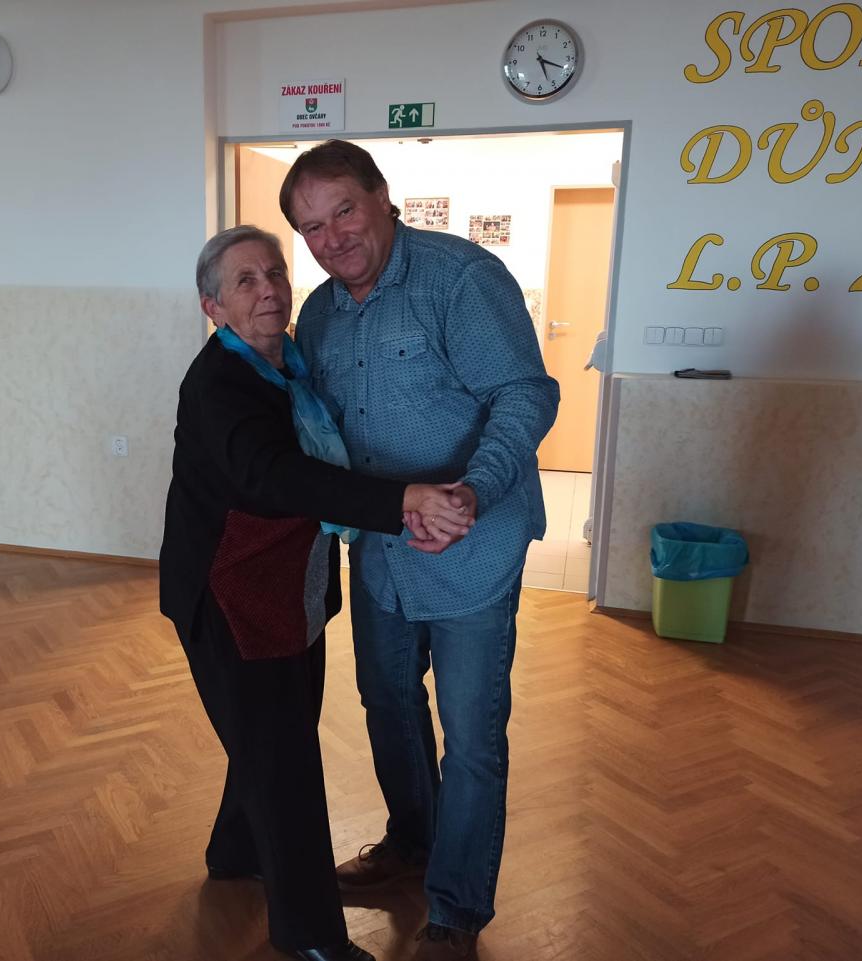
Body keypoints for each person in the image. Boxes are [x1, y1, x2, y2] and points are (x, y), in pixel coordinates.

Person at [159, 225, 474, 961]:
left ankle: (237, 850)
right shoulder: (221, 384)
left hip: (285, 591)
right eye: (245, 280)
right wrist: (402, 499)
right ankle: (309, 936)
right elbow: (275, 478)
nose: (268, 288)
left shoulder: (289, 367)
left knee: (274, 734)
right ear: (213, 307)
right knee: (286, 763)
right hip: (232, 599)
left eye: (274, 272)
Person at [279, 141, 560, 960]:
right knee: (388, 704)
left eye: (344, 210)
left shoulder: (460, 280)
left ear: (382, 196)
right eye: (311, 227)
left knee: (470, 735)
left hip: (474, 550)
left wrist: (472, 489)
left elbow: (526, 394)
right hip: (383, 554)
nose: (332, 237)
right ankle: (411, 840)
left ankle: (457, 906)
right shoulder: (321, 314)